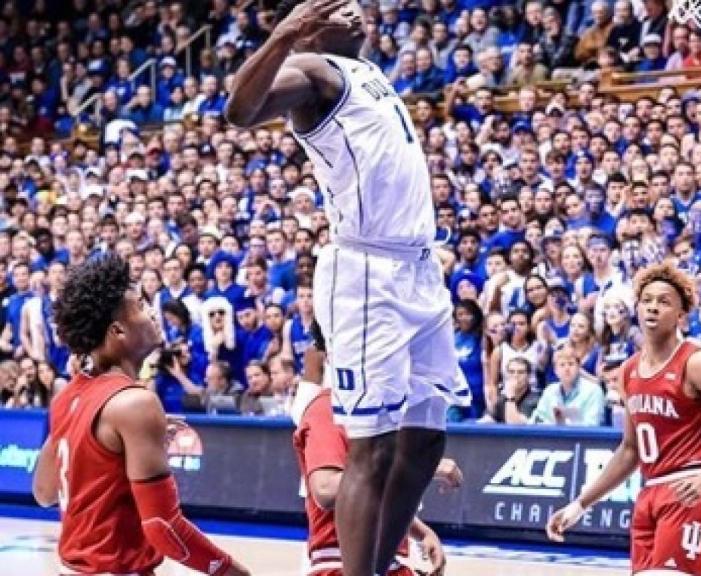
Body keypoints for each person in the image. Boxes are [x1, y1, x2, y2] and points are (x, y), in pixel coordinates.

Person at [225, 3, 471, 576]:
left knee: (425, 440)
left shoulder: (370, 72)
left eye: (359, 2)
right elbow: (239, 111)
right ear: (312, 20)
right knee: (374, 447)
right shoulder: (313, 69)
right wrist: (285, 35)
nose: (357, 11)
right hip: (368, 271)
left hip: (419, 267)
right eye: (340, 5)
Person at [32, 255, 249, 575]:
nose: (152, 314)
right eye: (141, 307)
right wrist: (230, 571)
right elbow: (163, 525)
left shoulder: (68, 396)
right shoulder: (135, 405)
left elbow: (44, 492)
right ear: (118, 331)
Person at [545, 263, 701, 576]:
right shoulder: (629, 371)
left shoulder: (699, 363)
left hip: (691, 490)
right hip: (649, 495)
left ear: (682, 316)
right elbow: (630, 450)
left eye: (664, 301)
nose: (653, 307)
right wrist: (580, 504)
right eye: (647, 300)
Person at [292, 324, 458, 576]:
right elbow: (325, 488)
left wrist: (419, 531)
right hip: (339, 563)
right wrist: (423, 468)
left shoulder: (381, 408)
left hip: (387, 561)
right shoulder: (328, 409)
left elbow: (372, 496)